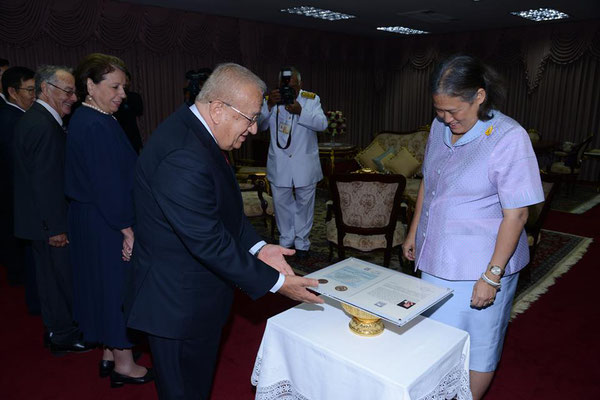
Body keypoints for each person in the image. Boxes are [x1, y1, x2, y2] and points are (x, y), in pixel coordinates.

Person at [125, 62, 323, 400]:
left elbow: (223, 212)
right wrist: (276, 283)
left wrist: (260, 247)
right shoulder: (183, 154)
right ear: (218, 109)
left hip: (195, 296)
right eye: (250, 118)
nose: (254, 130)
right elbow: (208, 240)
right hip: (175, 305)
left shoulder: (198, 132)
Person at [402, 54, 544, 400]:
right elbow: (428, 183)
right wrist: (414, 231)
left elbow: (518, 215)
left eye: (454, 111)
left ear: (479, 96)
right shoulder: (440, 128)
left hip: (482, 265)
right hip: (437, 257)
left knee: (479, 343)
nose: (446, 119)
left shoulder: (508, 138)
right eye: (439, 110)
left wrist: (492, 276)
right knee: (436, 338)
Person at [66, 53, 152, 388]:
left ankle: (108, 352)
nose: (122, 94)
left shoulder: (93, 118)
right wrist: (127, 230)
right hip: (107, 221)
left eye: (124, 87)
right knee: (115, 288)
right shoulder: (95, 124)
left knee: (101, 286)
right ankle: (124, 366)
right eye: (114, 86)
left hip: (94, 218)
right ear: (89, 85)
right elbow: (108, 185)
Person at [13, 65, 92, 354]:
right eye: (68, 91)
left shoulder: (36, 119)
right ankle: (64, 334)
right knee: (58, 282)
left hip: (39, 221)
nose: (73, 98)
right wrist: (57, 227)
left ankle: (58, 331)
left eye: (74, 92)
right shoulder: (43, 125)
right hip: (49, 223)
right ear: (46, 89)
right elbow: (46, 182)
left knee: (49, 281)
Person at [258, 67, 328, 258]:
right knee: (282, 205)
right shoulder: (270, 101)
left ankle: (302, 243)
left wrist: (301, 112)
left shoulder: (311, 100)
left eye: (292, 86)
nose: (288, 90)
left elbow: (322, 124)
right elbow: (258, 126)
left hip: (304, 165)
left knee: (305, 205)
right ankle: (286, 241)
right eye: (284, 86)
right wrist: (269, 106)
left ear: (300, 85)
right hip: (279, 164)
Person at [0, 66, 36, 286]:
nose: (34, 95)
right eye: (30, 90)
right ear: (13, 92)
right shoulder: (12, 120)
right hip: (13, 194)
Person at [114, 70, 144, 154]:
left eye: (126, 81)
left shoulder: (134, 96)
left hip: (132, 134)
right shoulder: (114, 98)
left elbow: (139, 111)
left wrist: (128, 102)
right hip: (118, 133)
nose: (125, 83)